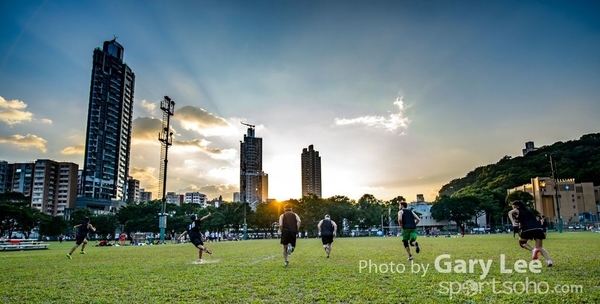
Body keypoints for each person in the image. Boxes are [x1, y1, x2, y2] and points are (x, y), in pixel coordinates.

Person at [508, 201, 553, 267]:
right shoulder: (529, 211)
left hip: (527, 228)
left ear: (516, 206)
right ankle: (549, 261)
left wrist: (513, 222)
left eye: (513, 207)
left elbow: (509, 212)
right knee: (539, 247)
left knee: (522, 243)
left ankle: (533, 250)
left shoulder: (517, 210)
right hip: (538, 228)